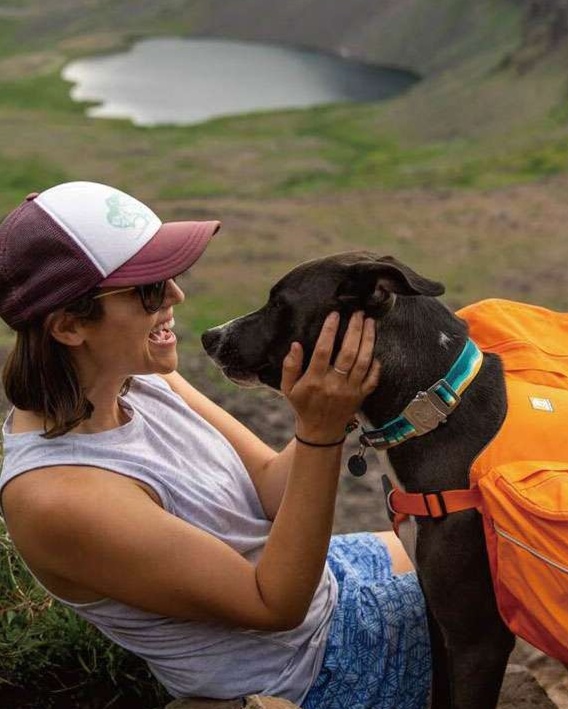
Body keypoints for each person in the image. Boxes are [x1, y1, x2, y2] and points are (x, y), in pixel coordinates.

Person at [0, 182, 431, 708]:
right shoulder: (59, 495)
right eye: (149, 289)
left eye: (171, 276)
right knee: (495, 588)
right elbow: (273, 605)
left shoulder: (137, 377)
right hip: (311, 673)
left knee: (473, 548)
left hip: (327, 588)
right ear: (69, 325)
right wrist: (320, 432)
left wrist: (330, 398)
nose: (176, 297)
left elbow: (273, 491)